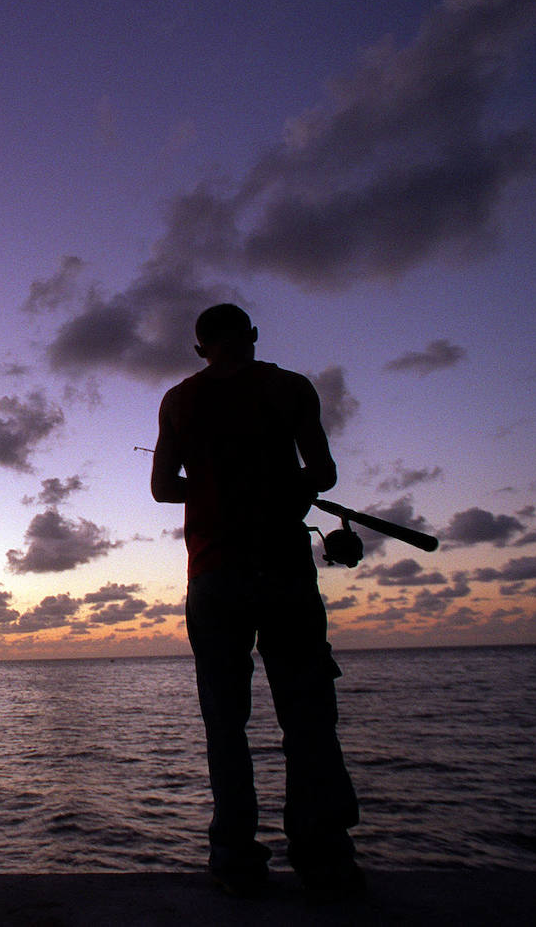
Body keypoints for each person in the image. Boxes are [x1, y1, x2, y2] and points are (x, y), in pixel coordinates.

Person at [150, 303, 361, 897]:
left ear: (199, 349)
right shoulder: (290, 388)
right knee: (309, 716)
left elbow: (164, 487)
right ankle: (324, 860)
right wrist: (277, 482)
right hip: (286, 573)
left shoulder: (179, 400)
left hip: (214, 577)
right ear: (253, 336)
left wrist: (213, 489)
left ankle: (236, 860)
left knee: (225, 723)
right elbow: (323, 472)